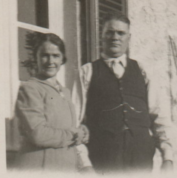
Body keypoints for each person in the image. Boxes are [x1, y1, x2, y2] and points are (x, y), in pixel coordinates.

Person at [74, 12, 174, 173]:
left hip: (141, 159)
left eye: (121, 33)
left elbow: (159, 117)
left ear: (129, 37)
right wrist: (84, 164)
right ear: (102, 36)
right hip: (102, 159)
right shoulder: (87, 72)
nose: (115, 37)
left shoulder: (142, 70)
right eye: (110, 32)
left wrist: (168, 157)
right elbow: (75, 123)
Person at [13, 32, 92, 172]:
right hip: (39, 167)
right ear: (36, 58)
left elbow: (65, 126)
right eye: (45, 55)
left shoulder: (65, 92)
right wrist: (74, 134)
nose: (50, 62)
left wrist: (81, 130)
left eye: (56, 56)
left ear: (62, 59)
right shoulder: (29, 89)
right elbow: (38, 134)